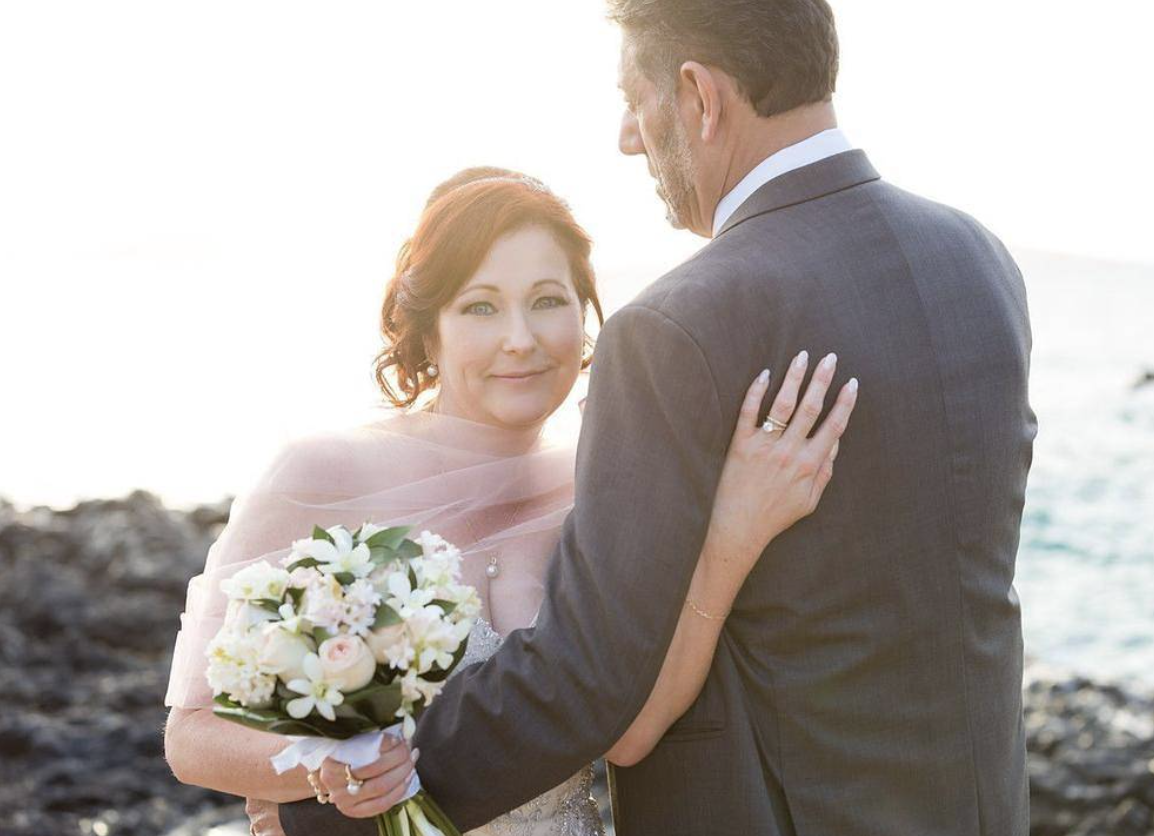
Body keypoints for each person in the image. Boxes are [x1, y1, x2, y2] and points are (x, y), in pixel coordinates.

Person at [276, 0, 1037, 833]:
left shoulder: (678, 328)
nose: (630, 137)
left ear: (699, 98)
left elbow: (586, 675)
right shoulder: (978, 261)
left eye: (634, 101)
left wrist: (337, 811)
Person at [163, 166, 858, 835]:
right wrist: (325, 768)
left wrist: (733, 531)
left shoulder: (602, 488)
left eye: (548, 301)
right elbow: (191, 736)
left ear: (585, 319)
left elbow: (631, 733)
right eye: (481, 306)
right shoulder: (322, 473)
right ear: (429, 327)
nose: (520, 340)